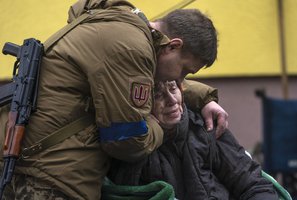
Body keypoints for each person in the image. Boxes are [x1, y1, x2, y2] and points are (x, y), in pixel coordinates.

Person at [0, 0, 227, 199]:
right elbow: (126, 141)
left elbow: (134, 79)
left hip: (27, 161)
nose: (179, 80)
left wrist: (203, 97)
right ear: (173, 45)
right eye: (184, 70)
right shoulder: (131, 48)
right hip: (51, 176)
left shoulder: (121, 28)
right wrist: (158, 126)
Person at [108, 80, 279, 200]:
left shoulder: (204, 128)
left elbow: (253, 183)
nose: (172, 100)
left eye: (173, 88)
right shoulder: (132, 148)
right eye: (158, 95)